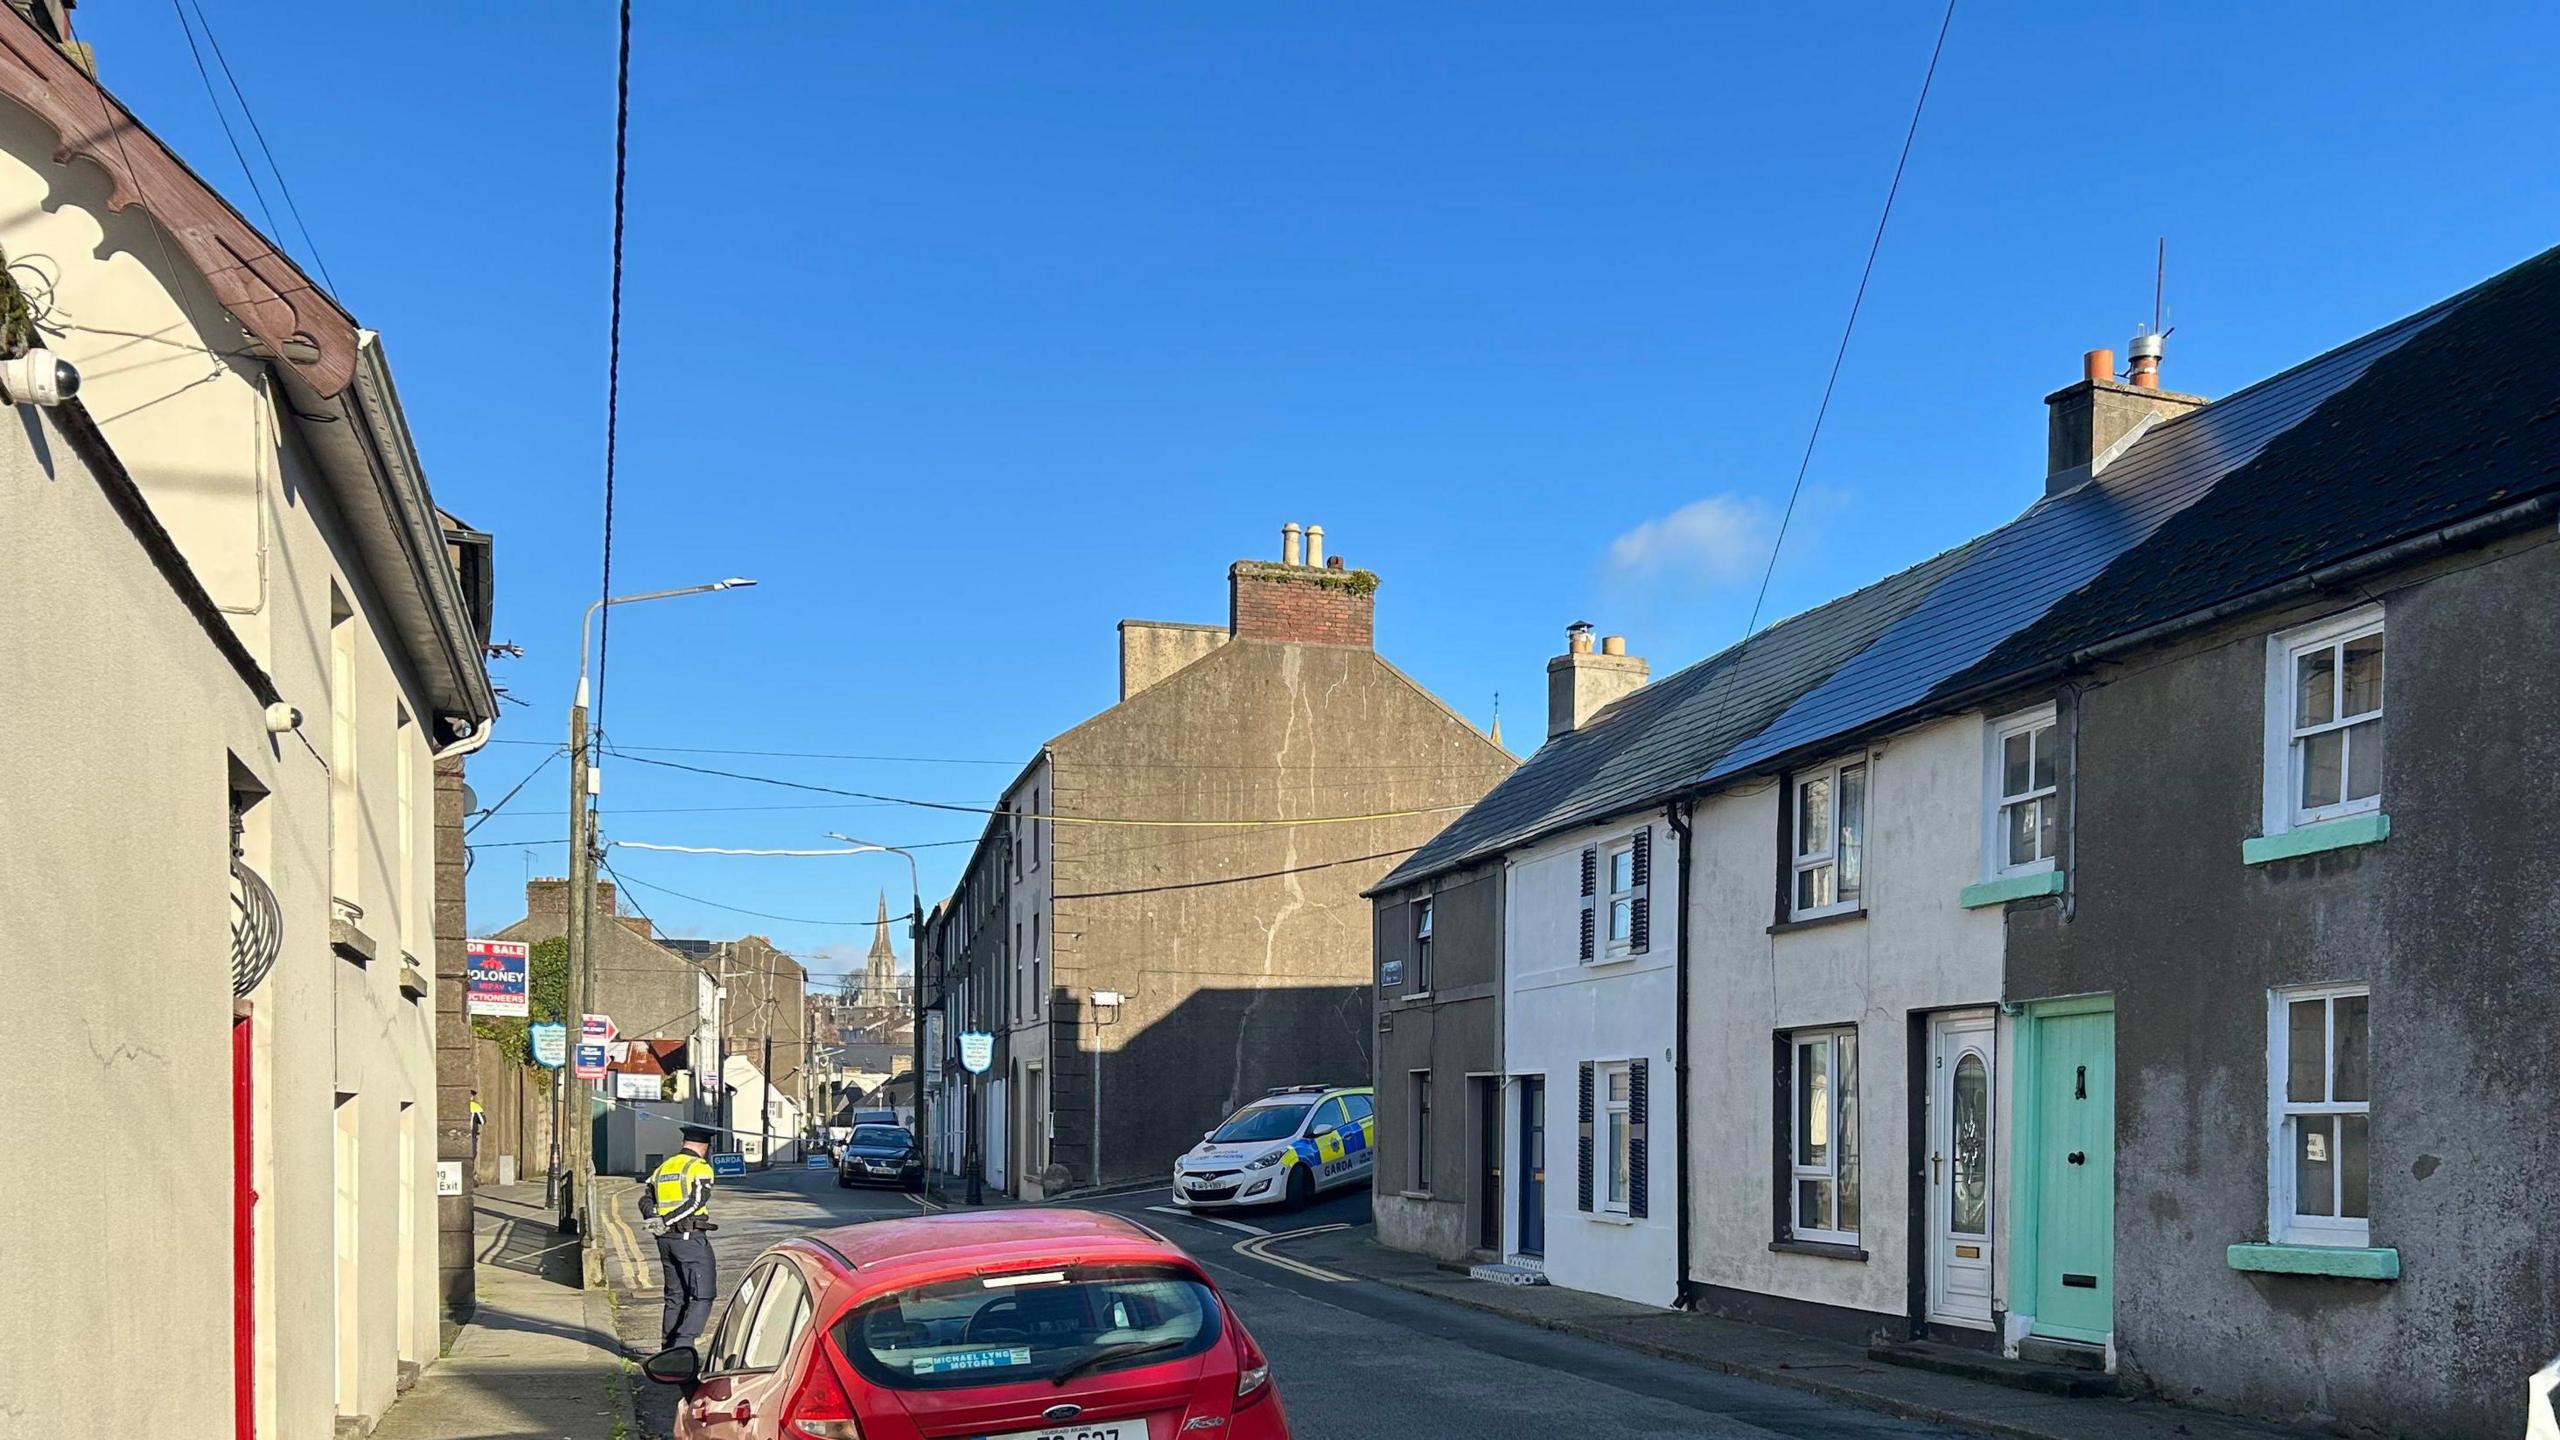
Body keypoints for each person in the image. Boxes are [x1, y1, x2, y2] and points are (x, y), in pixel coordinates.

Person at [640, 1123, 720, 1351]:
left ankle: (667, 1348)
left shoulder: (664, 1167)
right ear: (704, 1147)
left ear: (683, 1143)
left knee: (675, 1296)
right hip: (689, 1237)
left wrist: (654, 1218)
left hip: (665, 1241)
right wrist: (668, 1220)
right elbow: (696, 1201)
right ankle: (683, 1347)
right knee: (702, 1295)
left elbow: (645, 1199)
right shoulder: (699, 1167)